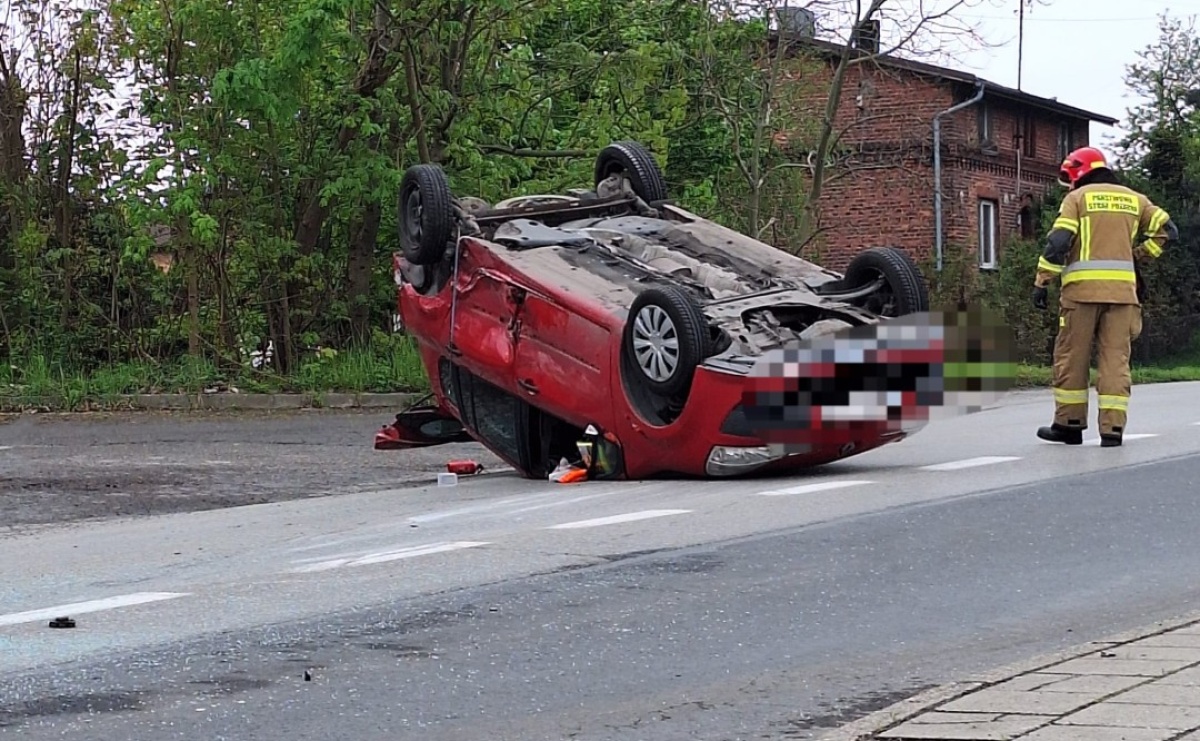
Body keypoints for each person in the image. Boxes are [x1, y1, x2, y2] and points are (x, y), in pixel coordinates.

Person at [1032, 146, 1177, 447]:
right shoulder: (1135, 199)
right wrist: (1138, 256)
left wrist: (1042, 281)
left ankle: (1069, 425)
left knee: (1072, 358)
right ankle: (1112, 431)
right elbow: (1167, 231)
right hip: (1124, 296)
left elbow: (1059, 242)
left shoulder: (1077, 199)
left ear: (1077, 172)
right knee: (1115, 361)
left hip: (1081, 295)